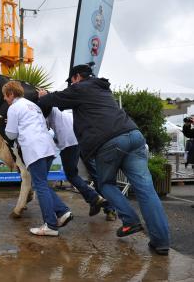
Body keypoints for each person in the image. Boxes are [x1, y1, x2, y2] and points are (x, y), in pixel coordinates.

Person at [37, 63, 170, 255]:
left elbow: (54, 99)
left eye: (71, 81)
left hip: (109, 143)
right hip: (134, 136)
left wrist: (43, 96)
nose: (71, 85)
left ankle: (130, 220)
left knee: (106, 184)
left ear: (76, 77)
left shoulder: (80, 88)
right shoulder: (102, 90)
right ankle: (161, 242)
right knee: (146, 190)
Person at [3, 81, 72, 236]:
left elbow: (11, 135)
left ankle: (51, 225)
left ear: (11, 94)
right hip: (47, 148)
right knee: (40, 184)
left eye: (5, 96)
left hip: (34, 149)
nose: (5, 99)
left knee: (40, 186)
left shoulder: (13, 108)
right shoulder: (33, 106)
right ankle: (63, 212)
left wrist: (8, 125)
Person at [47, 107, 116, 220]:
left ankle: (95, 199)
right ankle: (109, 208)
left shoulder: (46, 108)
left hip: (70, 142)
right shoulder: (65, 109)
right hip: (83, 139)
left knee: (71, 174)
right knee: (95, 174)